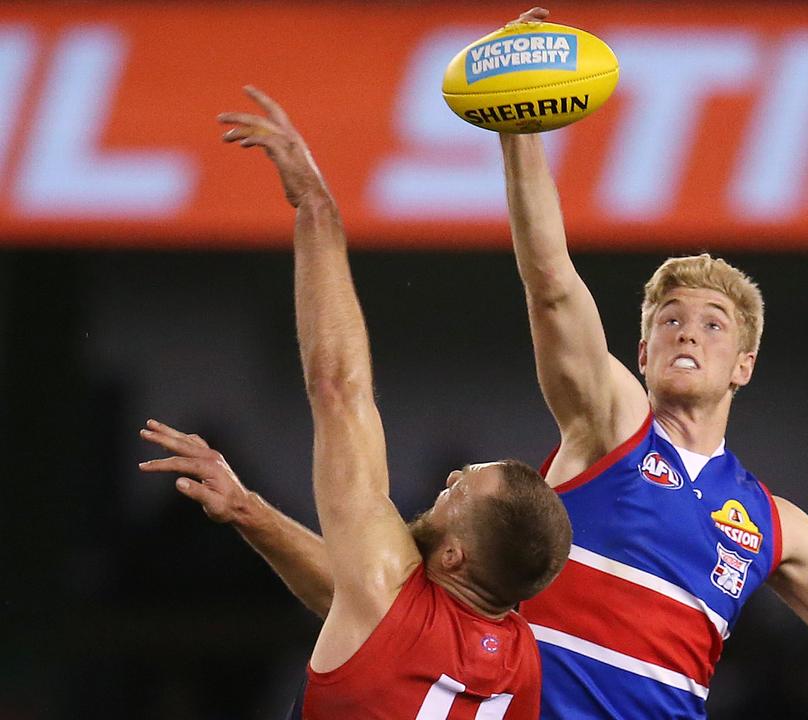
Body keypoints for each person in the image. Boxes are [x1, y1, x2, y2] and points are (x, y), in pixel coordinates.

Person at [164, 15, 808, 720]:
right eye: (666, 313)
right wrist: (521, 138)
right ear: (638, 345)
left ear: (743, 364)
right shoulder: (605, 423)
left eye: (710, 322)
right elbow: (550, 286)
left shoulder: (769, 524)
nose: (684, 329)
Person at [140, 86, 571, 720]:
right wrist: (249, 512)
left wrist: (314, 205)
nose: (449, 479)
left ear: (453, 557)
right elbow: (362, 598)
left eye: (459, 492)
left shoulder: (387, 592)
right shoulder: (521, 664)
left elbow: (339, 389)